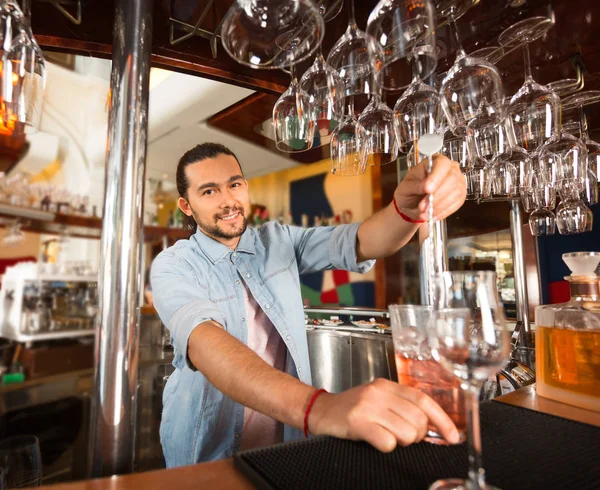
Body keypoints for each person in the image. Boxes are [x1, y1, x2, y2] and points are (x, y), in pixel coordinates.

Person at [151, 142, 467, 467]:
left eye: (234, 184)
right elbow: (205, 343)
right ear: (186, 206)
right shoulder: (174, 265)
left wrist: (407, 211)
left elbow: (360, 242)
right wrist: (321, 409)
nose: (228, 200)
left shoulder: (279, 240)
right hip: (206, 450)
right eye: (209, 191)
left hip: (285, 442)